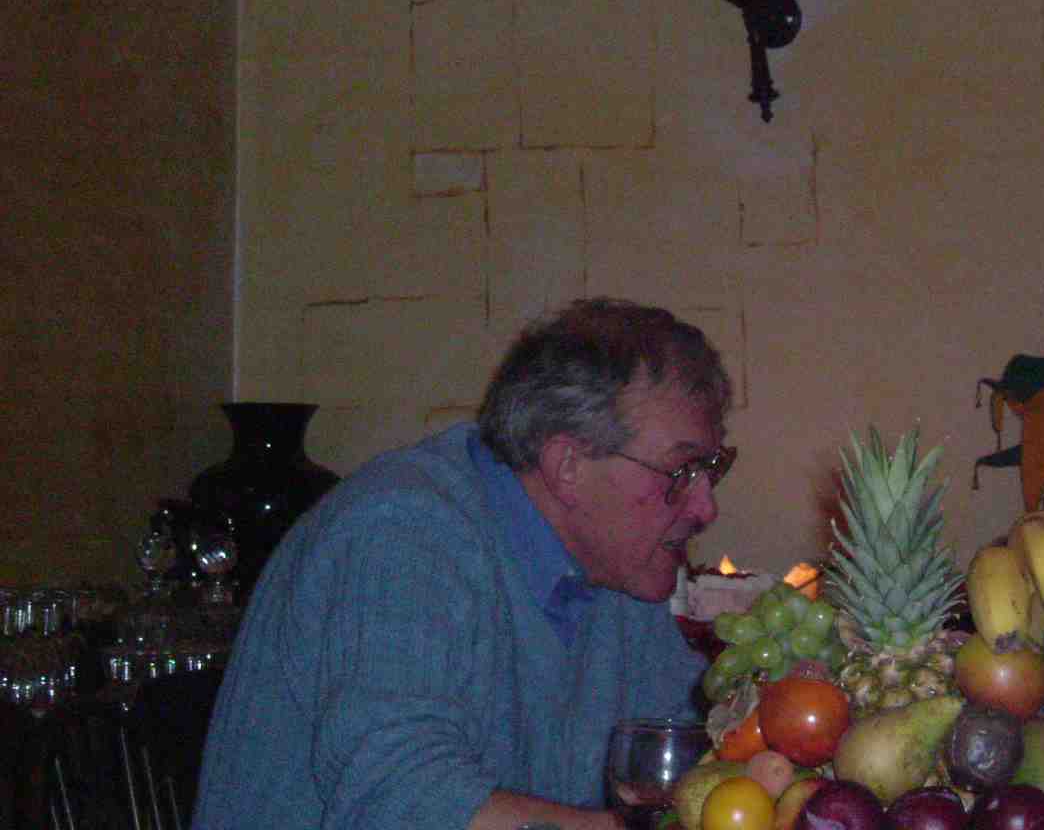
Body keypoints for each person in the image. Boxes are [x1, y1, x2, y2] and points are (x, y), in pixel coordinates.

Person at [193, 298, 737, 830]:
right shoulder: (402, 533)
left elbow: (704, 750)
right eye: (682, 471)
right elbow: (399, 800)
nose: (705, 507)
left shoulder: (620, 570)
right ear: (567, 465)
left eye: (711, 468)